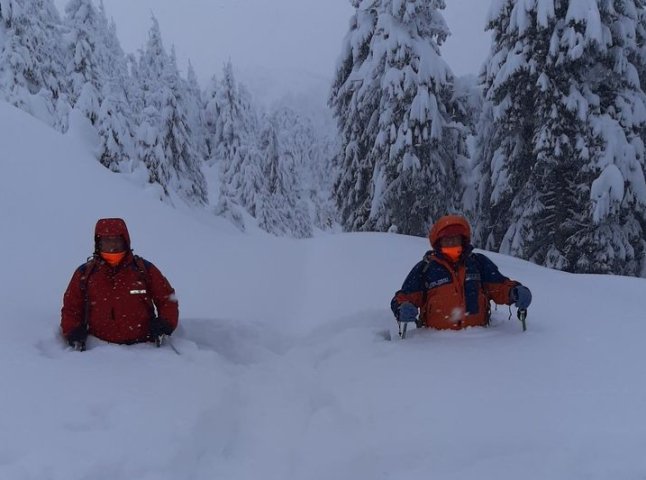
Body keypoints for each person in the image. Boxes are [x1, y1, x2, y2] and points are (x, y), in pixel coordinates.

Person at [391, 215, 532, 330]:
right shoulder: (426, 268)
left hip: (481, 343)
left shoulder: (478, 263)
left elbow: (499, 286)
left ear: (463, 240)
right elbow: (403, 297)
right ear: (438, 242)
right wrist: (402, 308)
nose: (452, 243)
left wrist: (515, 292)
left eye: (455, 239)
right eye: (447, 240)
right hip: (434, 345)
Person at [61, 218, 178, 350]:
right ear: (98, 244)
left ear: (125, 242)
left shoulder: (144, 269)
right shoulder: (85, 273)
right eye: (106, 241)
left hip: (145, 350)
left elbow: (167, 299)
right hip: (97, 351)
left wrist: (165, 323)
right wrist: (72, 330)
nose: (112, 246)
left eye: (117, 240)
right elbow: (71, 307)